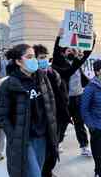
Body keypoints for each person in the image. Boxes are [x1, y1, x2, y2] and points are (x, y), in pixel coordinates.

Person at [0, 44, 59, 177]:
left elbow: (51, 104)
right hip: (25, 139)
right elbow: (2, 116)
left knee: (41, 170)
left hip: (43, 135)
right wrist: (14, 135)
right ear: (19, 61)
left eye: (34, 57)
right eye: (29, 57)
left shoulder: (42, 78)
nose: (34, 60)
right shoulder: (8, 85)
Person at [51, 29, 94, 156]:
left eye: (73, 50)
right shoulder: (60, 65)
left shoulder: (77, 63)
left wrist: (93, 39)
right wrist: (59, 37)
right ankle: (58, 143)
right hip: (65, 99)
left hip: (78, 97)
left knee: (79, 122)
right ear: (64, 53)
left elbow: (86, 54)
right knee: (63, 123)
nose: (71, 51)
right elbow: (55, 51)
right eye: (69, 50)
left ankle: (84, 146)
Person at [33, 44, 68, 177]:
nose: (45, 61)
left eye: (46, 58)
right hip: (44, 121)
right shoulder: (34, 78)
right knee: (45, 151)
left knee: (54, 149)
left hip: (58, 117)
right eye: (41, 58)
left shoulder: (54, 73)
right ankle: (44, 172)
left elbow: (62, 93)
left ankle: (48, 171)